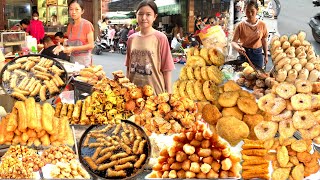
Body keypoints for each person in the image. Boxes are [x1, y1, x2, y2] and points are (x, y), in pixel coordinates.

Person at [125, 0, 174, 95]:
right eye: (140, 14)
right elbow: (128, 67)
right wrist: (126, 87)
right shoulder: (131, 39)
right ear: (136, 15)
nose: (144, 18)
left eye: (148, 14)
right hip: (133, 92)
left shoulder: (161, 38)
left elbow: (166, 68)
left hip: (155, 93)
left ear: (155, 17)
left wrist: (169, 92)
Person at [54, 0, 94, 67]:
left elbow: (91, 45)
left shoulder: (87, 24)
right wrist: (62, 47)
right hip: (72, 60)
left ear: (82, 11)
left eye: (77, 9)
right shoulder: (70, 25)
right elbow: (69, 43)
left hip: (84, 61)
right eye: (71, 9)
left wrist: (72, 48)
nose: (73, 12)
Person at [231, 0, 268, 69]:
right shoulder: (240, 26)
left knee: (257, 76)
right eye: (247, 11)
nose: (250, 14)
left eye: (252, 11)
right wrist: (238, 48)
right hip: (244, 54)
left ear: (257, 10)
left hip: (257, 55)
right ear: (244, 10)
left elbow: (264, 40)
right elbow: (233, 42)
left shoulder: (262, 25)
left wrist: (266, 55)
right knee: (243, 76)